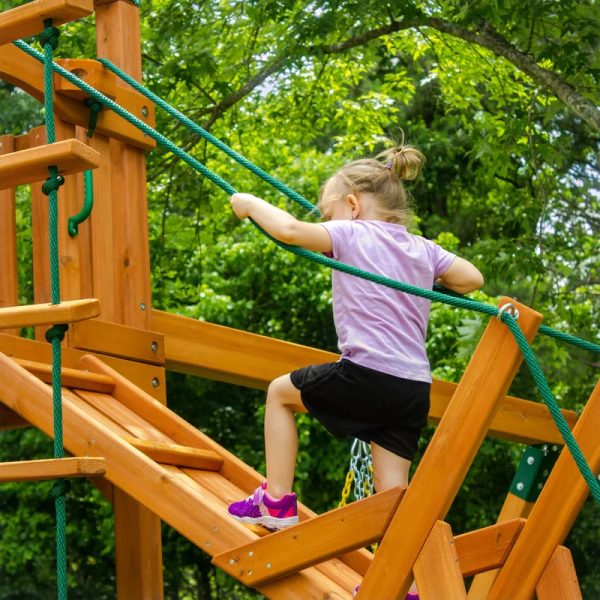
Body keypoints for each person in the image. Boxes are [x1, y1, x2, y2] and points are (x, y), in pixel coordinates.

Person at [226, 143, 484, 534]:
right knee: (393, 490)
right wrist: (427, 274)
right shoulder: (423, 249)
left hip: (367, 372)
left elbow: (291, 231)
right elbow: (472, 279)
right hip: (413, 388)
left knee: (280, 394)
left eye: (329, 214)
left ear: (352, 204)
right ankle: (406, 587)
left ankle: (276, 502)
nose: (329, 222)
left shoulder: (352, 231)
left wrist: (249, 202)